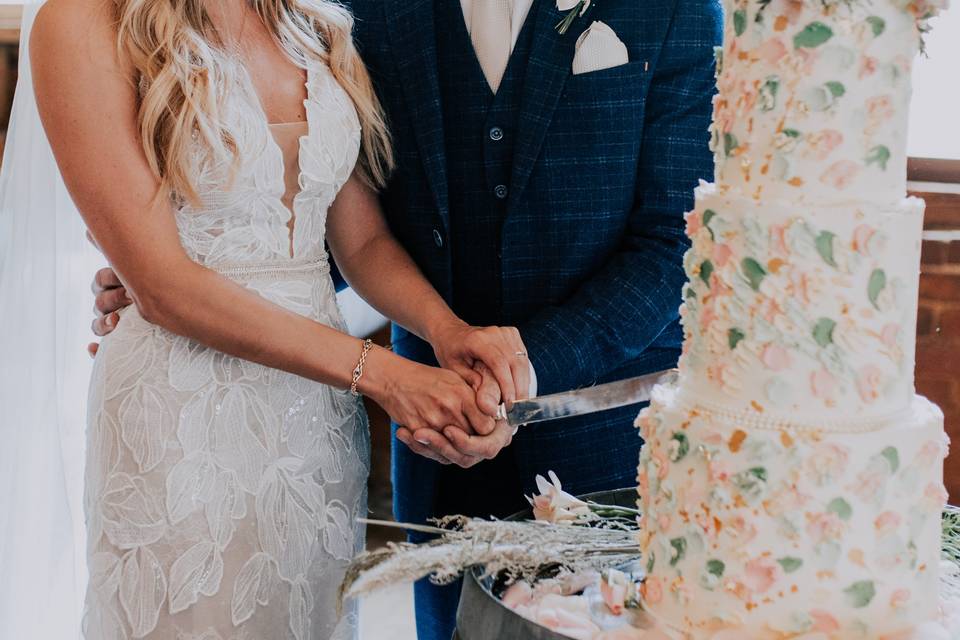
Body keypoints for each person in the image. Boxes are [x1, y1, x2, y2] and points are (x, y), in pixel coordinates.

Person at [94, 0, 722, 637]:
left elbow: (679, 242)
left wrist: (522, 365)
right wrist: (186, 273)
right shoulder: (352, 9)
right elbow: (330, 206)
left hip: (605, 442)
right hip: (427, 446)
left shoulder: (675, 8)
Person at [31, 0, 524, 638]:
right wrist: (385, 375)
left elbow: (363, 243)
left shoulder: (315, 27)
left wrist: (446, 330)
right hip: (180, 423)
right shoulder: (81, 23)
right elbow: (162, 286)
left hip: (315, 423)